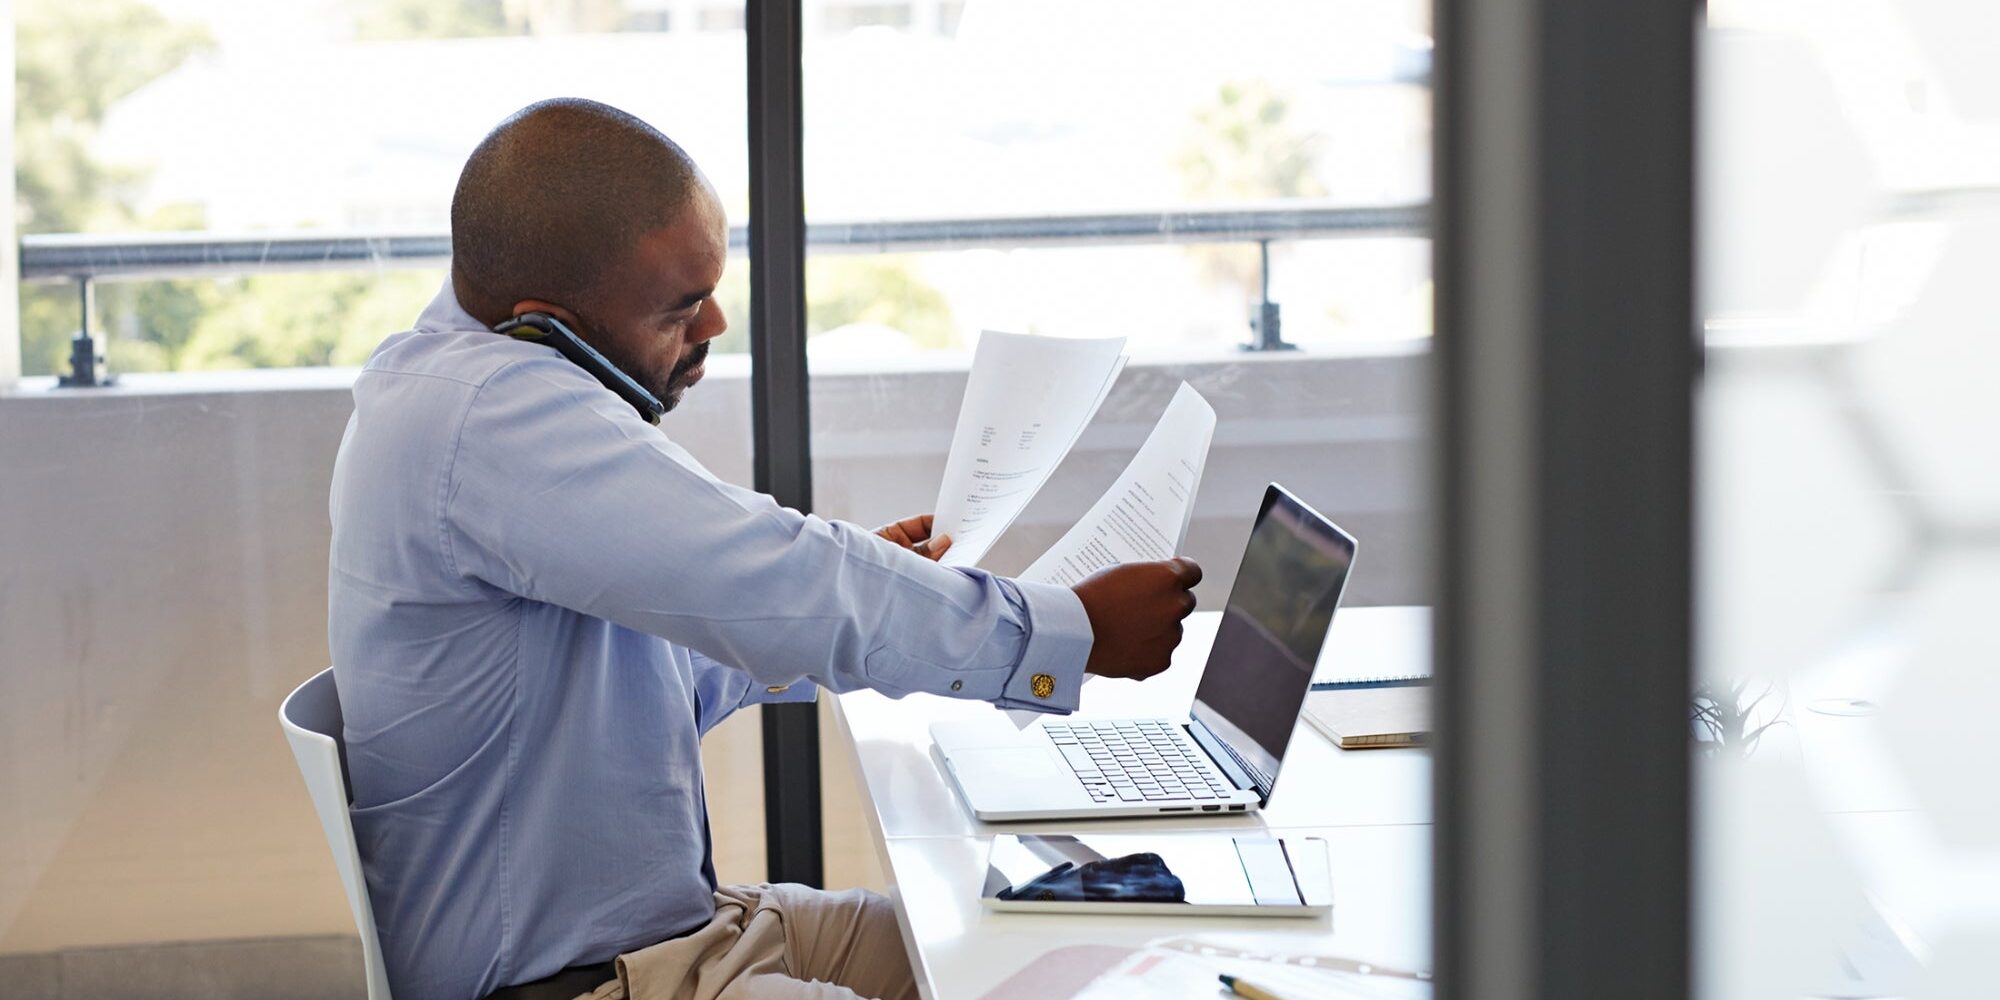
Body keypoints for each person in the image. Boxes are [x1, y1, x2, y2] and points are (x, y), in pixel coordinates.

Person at [327, 97, 1201, 1000]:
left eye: (712, 288)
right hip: (593, 983)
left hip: (684, 934)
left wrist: (861, 588)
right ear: (549, 319)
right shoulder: (492, 416)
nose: (713, 324)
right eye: (681, 307)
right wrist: (1070, 634)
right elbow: (777, 573)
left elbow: (679, 653)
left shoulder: (466, 386)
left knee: (1043, 948)